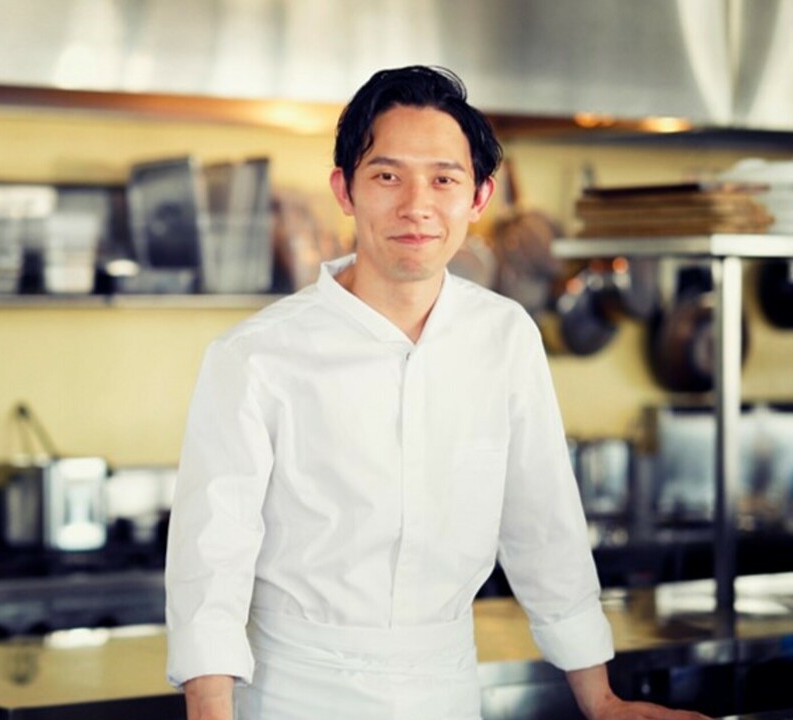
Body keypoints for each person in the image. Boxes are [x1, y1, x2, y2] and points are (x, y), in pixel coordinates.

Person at [164, 66, 708, 720]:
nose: (416, 205)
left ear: (479, 197)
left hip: (446, 690)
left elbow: (542, 523)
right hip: (295, 693)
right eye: (387, 176)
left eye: (444, 180)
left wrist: (601, 699)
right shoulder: (255, 355)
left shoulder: (505, 336)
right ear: (345, 190)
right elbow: (210, 561)